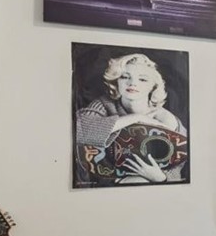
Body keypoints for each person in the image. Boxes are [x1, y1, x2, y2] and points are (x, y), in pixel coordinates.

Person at [75, 53, 187, 185]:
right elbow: (79, 131)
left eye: (143, 79)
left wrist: (160, 178)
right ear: (116, 81)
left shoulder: (166, 120)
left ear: (153, 87)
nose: (132, 83)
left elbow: (178, 164)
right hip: (101, 181)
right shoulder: (105, 104)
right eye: (124, 77)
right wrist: (136, 118)